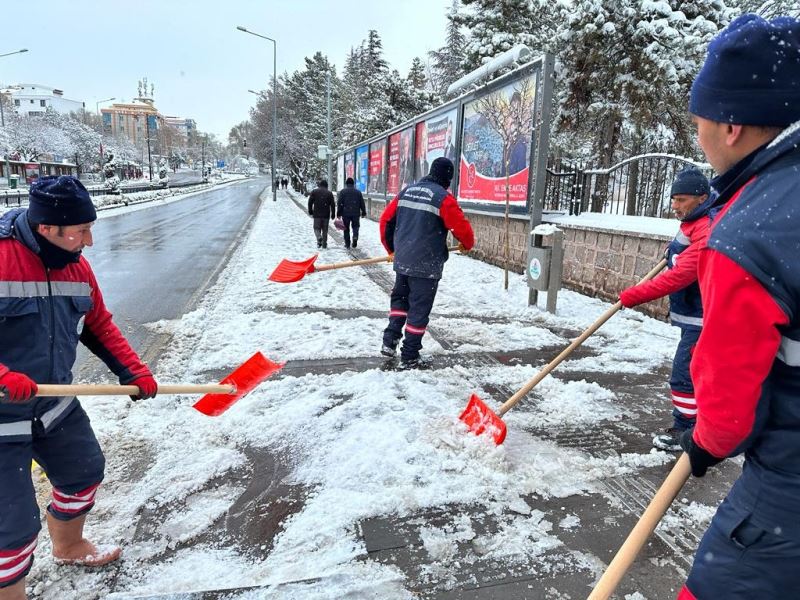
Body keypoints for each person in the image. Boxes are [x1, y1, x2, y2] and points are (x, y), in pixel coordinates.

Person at [669, 14, 800, 600]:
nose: (696, 133)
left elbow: (727, 411)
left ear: (730, 125)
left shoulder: (749, 233)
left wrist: (704, 442)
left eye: (698, 120)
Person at [0, 176, 158, 600]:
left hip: (52, 403)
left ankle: (68, 546)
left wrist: (133, 371)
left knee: (84, 472)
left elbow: (98, 324)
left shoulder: (77, 266)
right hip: (1, 412)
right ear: (47, 228)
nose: (89, 239)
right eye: (81, 231)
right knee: (11, 527)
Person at [618, 167, 712, 451]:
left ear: (702, 198)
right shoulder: (692, 222)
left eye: (681, 199)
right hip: (694, 316)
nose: (675, 206)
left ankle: (686, 430)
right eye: (673, 199)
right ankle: (702, 426)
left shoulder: (707, 231)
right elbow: (678, 248)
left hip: (704, 319)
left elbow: (677, 277)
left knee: (684, 375)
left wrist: (632, 296)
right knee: (696, 374)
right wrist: (671, 251)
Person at [379, 157, 474, 369]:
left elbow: (386, 220)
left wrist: (392, 250)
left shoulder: (406, 192)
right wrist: (467, 244)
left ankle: (389, 341)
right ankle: (410, 355)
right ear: (448, 178)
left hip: (403, 261)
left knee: (400, 303)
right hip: (426, 266)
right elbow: (462, 228)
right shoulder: (443, 198)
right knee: (418, 310)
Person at [336, 177, 367, 249]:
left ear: (346, 184)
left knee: (346, 228)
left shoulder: (343, 192)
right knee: (355, 226)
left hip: (345, 213)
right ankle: (355, 237)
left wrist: (339, 213)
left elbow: (339, 203)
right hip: (356, 213)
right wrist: (363, 212)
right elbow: (362, 203)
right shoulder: (358, 192)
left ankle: (347, 243)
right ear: (353, 184)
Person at [307, 179, 336, 249]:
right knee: (325, 230)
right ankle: (324, 244)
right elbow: (332, 204)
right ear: (326, 185)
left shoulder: (314, 191)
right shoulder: (329, 193)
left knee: (316, 228)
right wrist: (333, 214)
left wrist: (310, 210)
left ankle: (319, 238)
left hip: (317, 214)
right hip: (326, 215)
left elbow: (310, 202)